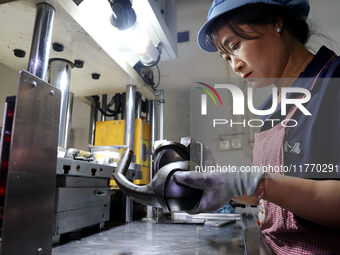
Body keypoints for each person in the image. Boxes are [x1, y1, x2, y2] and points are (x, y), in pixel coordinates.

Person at [173, 0, 340, 254]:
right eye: (226, 57)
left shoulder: (333, 83)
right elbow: (277, 200)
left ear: (276, 21)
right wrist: (223, 183)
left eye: (235, 46)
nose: (235, 65)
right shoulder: (270, 111)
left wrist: (256, 183)